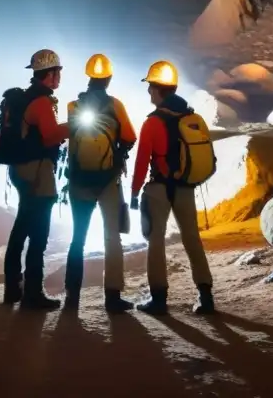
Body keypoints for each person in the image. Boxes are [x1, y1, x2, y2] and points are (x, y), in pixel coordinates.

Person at [131, 59, 215, 316]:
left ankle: (158, 298)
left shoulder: (153, 122)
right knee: (192, 238)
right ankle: (206, 296)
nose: (148, 92)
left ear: (158, 90)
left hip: (159, 189)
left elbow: (142, 162)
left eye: (150, 88)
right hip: (186, 187)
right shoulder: (191, 117)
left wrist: (134, 193)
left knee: (155, 241)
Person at [64, 53, 137, 313]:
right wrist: (117, 154)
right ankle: (113, 297)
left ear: (89, 77)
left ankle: (72, 297)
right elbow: (130, 136)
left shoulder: (73, 106)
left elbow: (71, 142)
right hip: (108, 180)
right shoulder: (115, 105)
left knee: (78, 238)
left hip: (79, 180)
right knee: (112, 237)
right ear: (108, 78)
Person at [1, 49, 69, 310]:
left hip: (20, 170)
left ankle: (12, 287)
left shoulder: (25, 99)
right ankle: (32, 292)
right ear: (50, 74)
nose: (59, 77)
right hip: (37, 170)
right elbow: (51, 136)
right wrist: (74, 126)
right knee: (38, 231)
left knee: (22, 226)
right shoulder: (41, 102)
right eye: (58, 72)